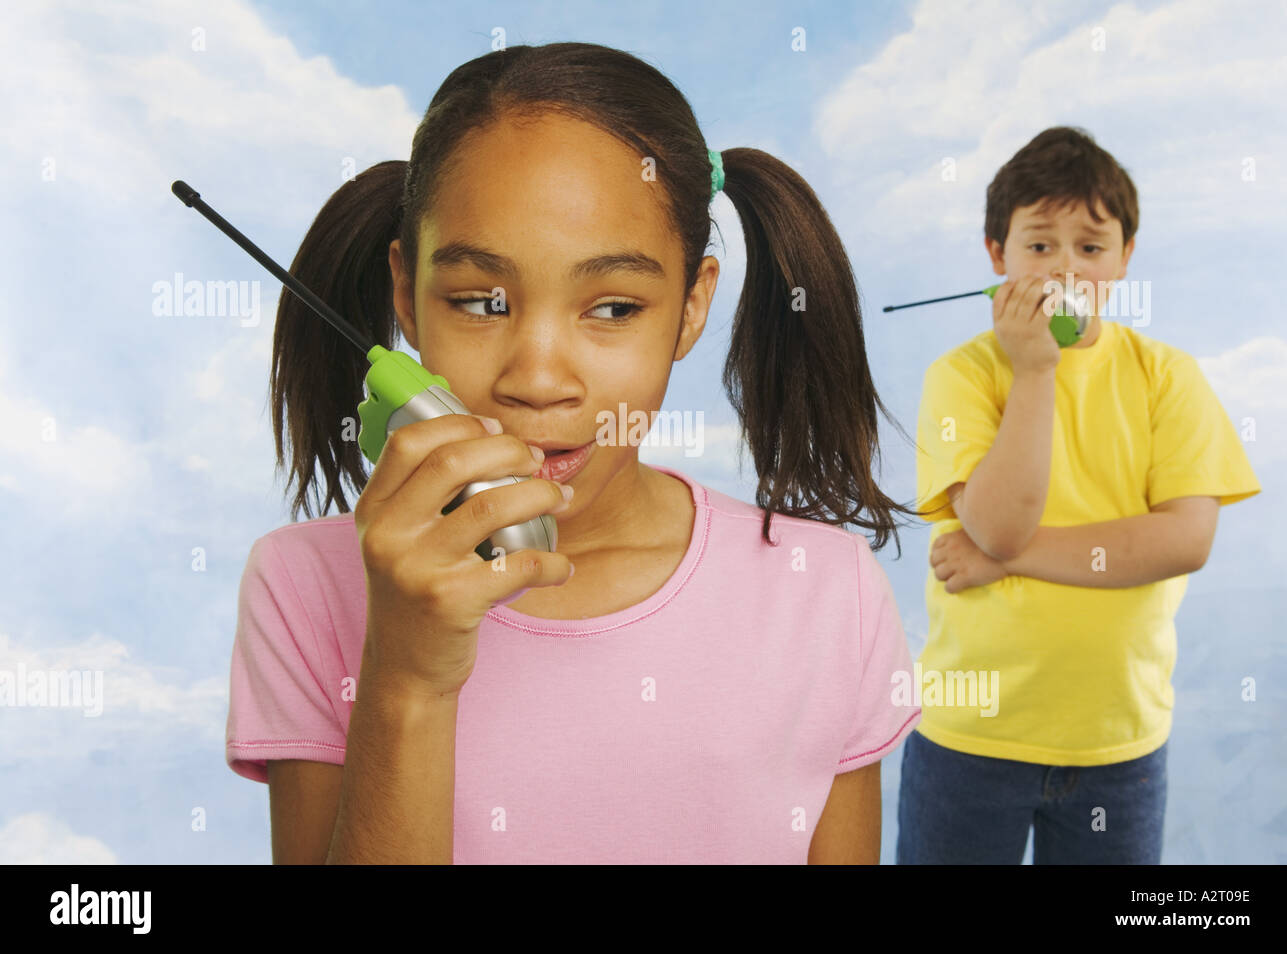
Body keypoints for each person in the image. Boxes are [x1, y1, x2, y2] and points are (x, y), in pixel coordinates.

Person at [225, 42, 922, 864]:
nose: (539, 379)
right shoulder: (307, 587)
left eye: (616, 307)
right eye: (482, 301)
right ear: (405, 298)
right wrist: (407, 680)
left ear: (691, 309)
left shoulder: (824, 592)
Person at [901, 126, 1261, 864]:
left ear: (1126, 257)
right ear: (996, 256)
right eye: (1039, 246)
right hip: (972, 736)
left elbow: (1184, 541)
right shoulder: (962, 377)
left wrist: (1010, 562)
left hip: (1118, 742)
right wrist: (1035, 372)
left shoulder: (1169, 376)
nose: (1065, 267)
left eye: (1090, 247)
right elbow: (997, 525)